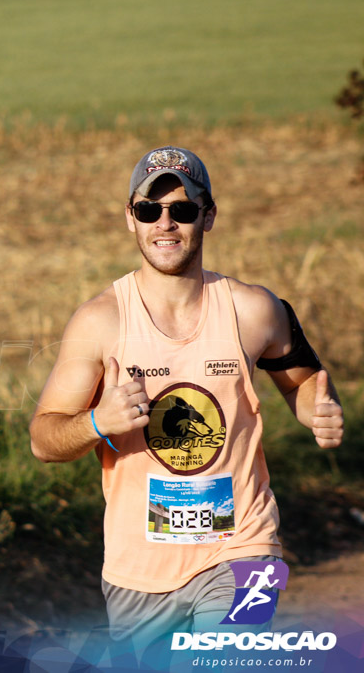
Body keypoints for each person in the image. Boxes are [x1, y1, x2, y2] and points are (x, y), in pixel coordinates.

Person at [28, 147, 344, 654]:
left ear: (209, 216)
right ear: (130, 218)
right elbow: (44, 440)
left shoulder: (254, 310)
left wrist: (317, 412)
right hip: (138, 571)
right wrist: (96, 421)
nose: (165, 223)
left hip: (244, 549)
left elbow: (302, 384)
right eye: (149, 210)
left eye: (183, 209)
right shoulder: (100, 322)